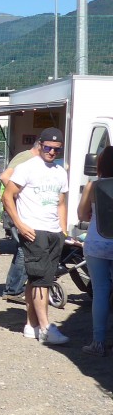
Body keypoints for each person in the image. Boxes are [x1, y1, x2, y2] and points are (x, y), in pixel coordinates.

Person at [2, 128, 69, 345]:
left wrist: (63, 230)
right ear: (40, 145)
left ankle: (31, 326)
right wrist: (20, 225)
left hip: (53, 231)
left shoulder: (60, 172)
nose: (52, 152)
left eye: (57, 149)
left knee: (37, 279)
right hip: (33, 230)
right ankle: (46, 328)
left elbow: (61, 203)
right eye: (48, 147)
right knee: (42, 280)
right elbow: (7, 196)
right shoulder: (26, 167)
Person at [77, 145, 113, 356]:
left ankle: (98, 342)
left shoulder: (93, 186)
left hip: (97, 243)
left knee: (100, 292)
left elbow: (82, 214)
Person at [0, 141, 41, 303]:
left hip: (22, 211)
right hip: (17, 211)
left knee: (22, 250)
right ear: (40, 145)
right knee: (25, 249)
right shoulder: (26, 157)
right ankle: (14, 290)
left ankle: (13, 288)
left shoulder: (32, 159)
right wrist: (19, 195)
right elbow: (4, 177)